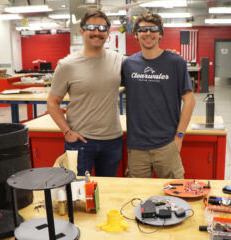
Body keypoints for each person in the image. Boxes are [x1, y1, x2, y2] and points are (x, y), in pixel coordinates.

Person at [47, 9, 124, 177]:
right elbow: (52, 102)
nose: (97, 32)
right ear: (82, 31)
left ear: (108, 33)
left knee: (108, 190)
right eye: (91, 27)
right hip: (80, 141)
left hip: (112, 141)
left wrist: (166, 58)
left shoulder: (119, 60)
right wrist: (66, 131)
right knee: (77, 194)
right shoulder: (67, 64)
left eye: (102, 28)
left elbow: (143, 69)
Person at [121, 12, 196, 179]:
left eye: (153, 29)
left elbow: (189, 100)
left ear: (160, 34)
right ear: (136, 34)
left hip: (167, 144)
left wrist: (179, 136)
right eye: (143, 29)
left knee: (175, 196)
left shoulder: (176, 62)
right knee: (137, 198)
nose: (148, 33)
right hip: (137, 147)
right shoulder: (127, 64)